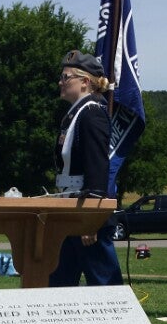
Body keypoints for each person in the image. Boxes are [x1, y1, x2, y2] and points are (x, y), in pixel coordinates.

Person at [48, 50, 123, 288]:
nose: (60, 82)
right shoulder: (76, 114)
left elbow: (98, 168)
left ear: (85, 82)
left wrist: (91, 221)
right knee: (59, 285)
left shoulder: (92, 114)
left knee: (105, 288)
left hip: (86, 214)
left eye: (66, 77)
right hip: (69, 210)